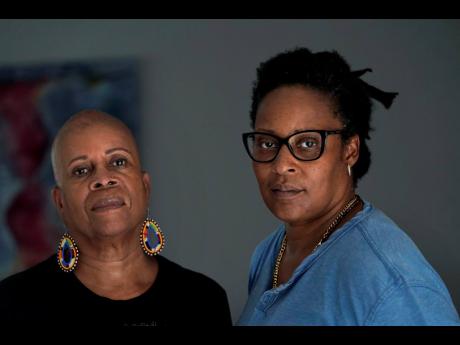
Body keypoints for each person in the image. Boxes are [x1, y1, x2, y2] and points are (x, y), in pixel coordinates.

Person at [237, 47, 460, 326]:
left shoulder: (391, 285)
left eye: (307, 143)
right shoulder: (270, 253)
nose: (282, 165)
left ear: (350, 150)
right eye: (268, 143)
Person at [0, 109, 232, 326]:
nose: (103, 178)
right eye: (81, 170)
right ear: (60, 202)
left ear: (145, 187)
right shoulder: (12, 304)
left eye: (118, 162)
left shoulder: (203, 299)